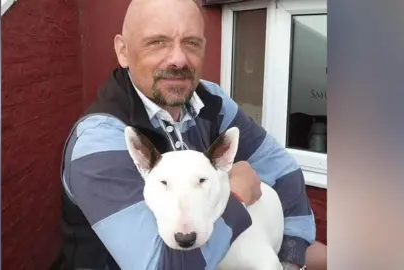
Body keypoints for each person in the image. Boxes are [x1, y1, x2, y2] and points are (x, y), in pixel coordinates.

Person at [58, 0, 327, 269]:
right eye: (158, 42)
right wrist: (236, 195)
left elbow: (283, 171)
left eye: (191, 43)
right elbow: (164, 266)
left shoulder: (212, 102)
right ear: (123, 51)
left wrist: (292, 254)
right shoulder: (99, 142)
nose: (178, 59)